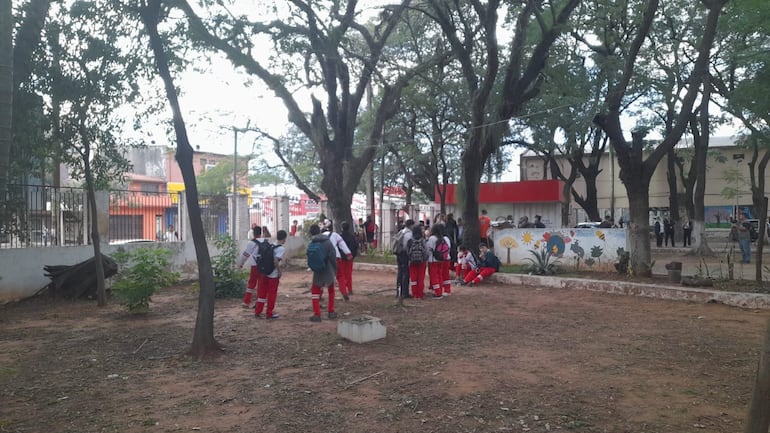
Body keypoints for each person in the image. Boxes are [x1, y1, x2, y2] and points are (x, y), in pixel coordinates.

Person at [308, 225, 339, 322]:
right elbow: (333, 255)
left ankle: (317, 314)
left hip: (317, 270)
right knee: (331, 290)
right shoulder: (327, 242)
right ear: (320, 231)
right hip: (328, 268)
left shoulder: (311, 243)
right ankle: (331, 311)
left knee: (315, 291)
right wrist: (335, 268)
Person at [253, 230, 287, 320]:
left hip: (264, 273)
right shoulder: (281, 248)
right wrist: (279, 271)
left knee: (262, 293)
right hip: (273, 275)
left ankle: (258, 312)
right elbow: (276, 261)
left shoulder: (271, 245)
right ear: (284, 239)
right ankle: (269, 313)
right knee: (272, 294)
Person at [324, 220, 354, 300]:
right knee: (340, 276)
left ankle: (319, 295)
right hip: (336, 256)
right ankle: (344, 293)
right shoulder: (336, 235)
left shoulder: (321, 235)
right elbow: (342, 245)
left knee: (322, 276)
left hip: (325, 258)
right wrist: (348, 254)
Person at [236, 226, 263, 308]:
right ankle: (259, 303)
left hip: (255, 265)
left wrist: (241, 264)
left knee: (251, 283)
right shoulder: (265, 241)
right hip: (263, 266)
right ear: (260, 233)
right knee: (261, 284)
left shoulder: (251, 243)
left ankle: (246, 302)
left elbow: (246, 255)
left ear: (253, 233)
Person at [426, 224, 448, 298]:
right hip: (440, 259)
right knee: (439, 276)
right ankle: (440, 290)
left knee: (434, 276)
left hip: (433, 260)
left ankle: (438, 293)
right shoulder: (442, 238)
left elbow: (428, 249)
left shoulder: (432, 238)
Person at [395, 219, 415, 299]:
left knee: (400, 272)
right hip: (404, 254)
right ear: (411, 225)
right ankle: (405, 293)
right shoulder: (409, 234)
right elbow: (409, 246)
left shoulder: (401, 232)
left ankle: (398, 291)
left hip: (398, 253)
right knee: (406, 273)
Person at [338, 221, 358, 300]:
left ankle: (343, 290)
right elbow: (356, 246)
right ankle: (349, 289)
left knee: (341, 274)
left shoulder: (339, 237)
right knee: (348, 274)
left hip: (341, 258)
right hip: (350, 258)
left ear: (341, 228)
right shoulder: (352, 237)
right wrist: (353, 256)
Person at [407, 225, 428, 299]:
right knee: (420, 278)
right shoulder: (423, 240)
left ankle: (414, 294)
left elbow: (407, 251)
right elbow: (426, 251)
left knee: (413, 279)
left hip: (412, 262)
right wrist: (425, 259)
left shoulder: (410, 240)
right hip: (422, 262)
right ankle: (420, 294)